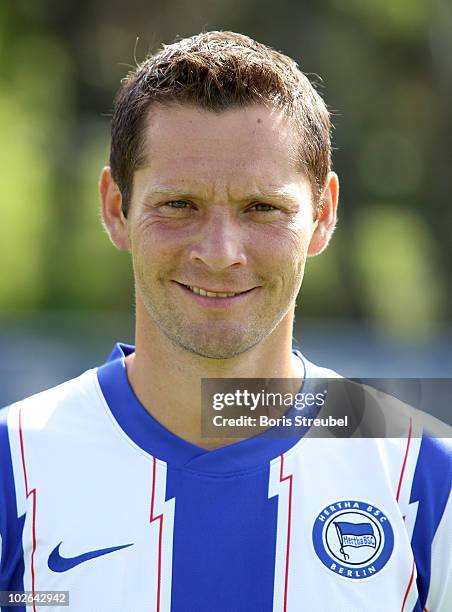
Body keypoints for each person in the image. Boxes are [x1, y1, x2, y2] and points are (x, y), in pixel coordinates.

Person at [0, 31, 450, 612]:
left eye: (262, 208)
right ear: (117, 208)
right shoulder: (14, 466)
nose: (219, 252)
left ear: (323, 215)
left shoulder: (422, 469)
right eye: (178, 205)